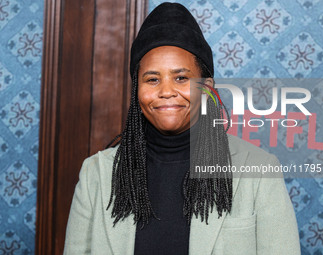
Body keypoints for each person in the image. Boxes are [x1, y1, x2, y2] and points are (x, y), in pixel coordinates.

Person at [63, 2, 301, 255]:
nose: (166, 92)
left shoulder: (258, 171)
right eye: (152, 79)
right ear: (136, 91)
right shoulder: (96, 175)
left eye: (181, 78)